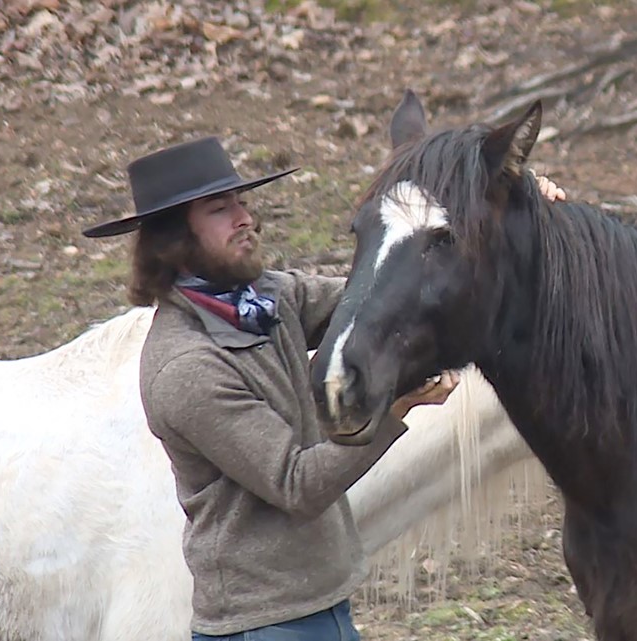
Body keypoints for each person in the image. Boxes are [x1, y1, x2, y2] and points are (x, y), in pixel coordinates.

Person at [81, 135, 564, 640]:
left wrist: (515, 216)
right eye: (221, 210)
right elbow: (296, 483)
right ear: (173, 241)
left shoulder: (265, 297)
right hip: (262, 623)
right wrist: (397, 408)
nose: (247, 218)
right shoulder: (185, 368)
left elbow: (384, 299)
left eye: (242, 202)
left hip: (317, 604)